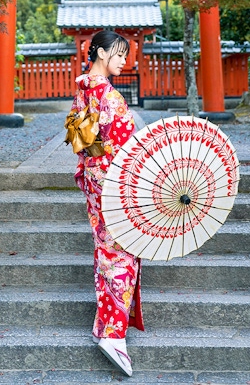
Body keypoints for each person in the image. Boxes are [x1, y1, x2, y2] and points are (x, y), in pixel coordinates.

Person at [69, 30, 143, 377]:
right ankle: (114, 334)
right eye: (118, 53)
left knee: (105, 249)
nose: (124, 60)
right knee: (123, 251)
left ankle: (103, 324)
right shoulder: (109, 97)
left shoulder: (83, 89)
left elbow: (79, 138)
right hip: (113, 183)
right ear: (98, 52)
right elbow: (128, 147)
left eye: (125, 54)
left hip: (94, 178)